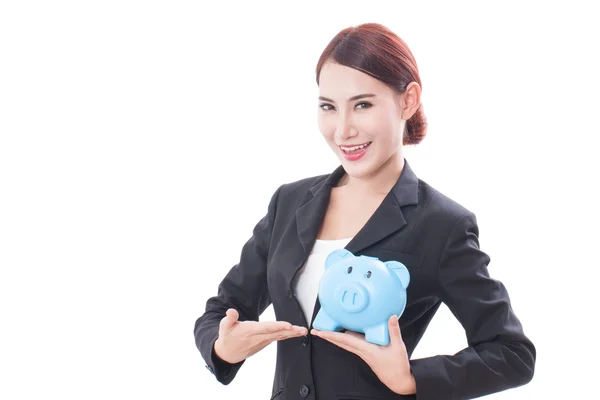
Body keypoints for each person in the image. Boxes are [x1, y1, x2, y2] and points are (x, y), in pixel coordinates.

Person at [193, 22, 536, 400]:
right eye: (328, 107)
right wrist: (222, 347)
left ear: (408, 101)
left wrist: (410, 378)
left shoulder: (442, 224)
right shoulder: (289, 202)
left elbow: (512, 354)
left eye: (362, 105)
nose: (343, 130)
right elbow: (221, 311)